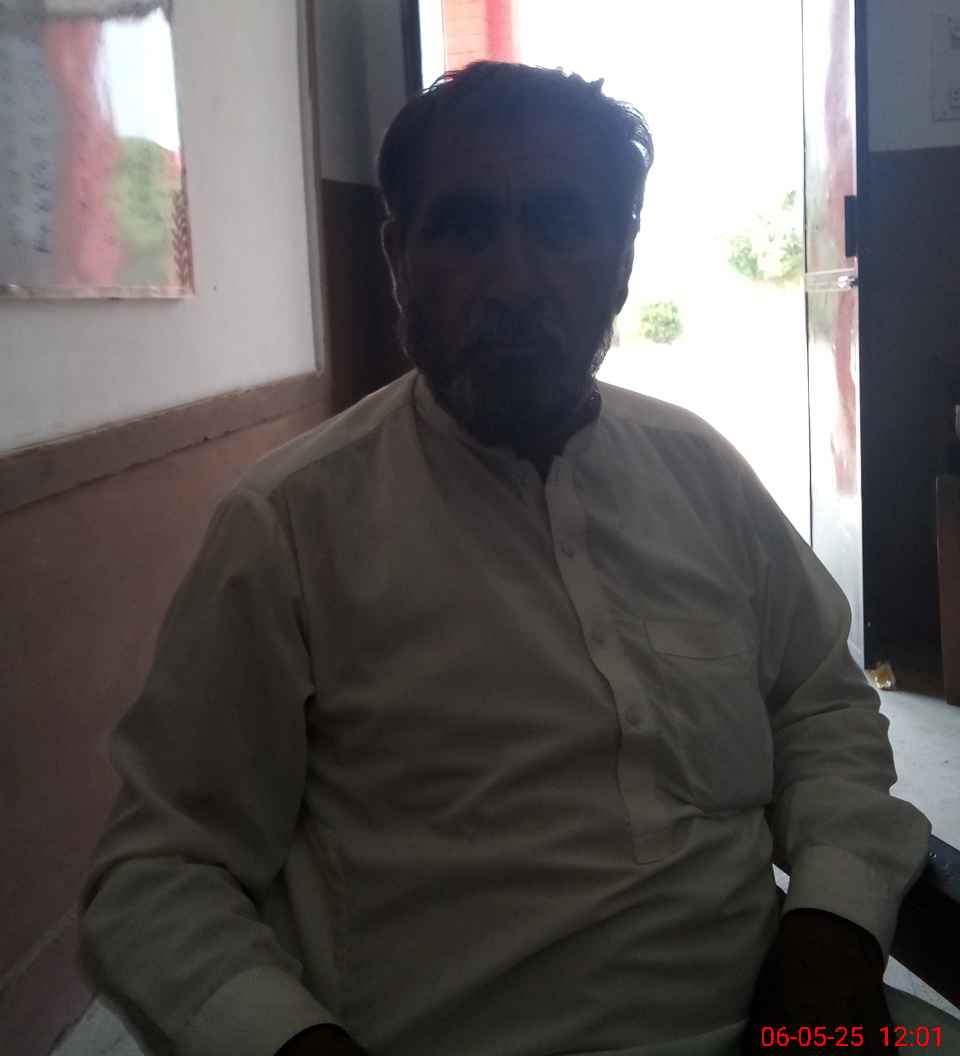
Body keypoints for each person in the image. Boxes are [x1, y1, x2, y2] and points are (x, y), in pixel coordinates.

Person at [79, 62, 950, 1056]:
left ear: (622, 258)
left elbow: (822, 709)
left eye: (561, 224)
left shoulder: (701, 473)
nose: (513, 282)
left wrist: (833, 924)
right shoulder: (288, 528)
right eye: (463, 229)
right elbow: (157, 874)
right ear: (399, 258)